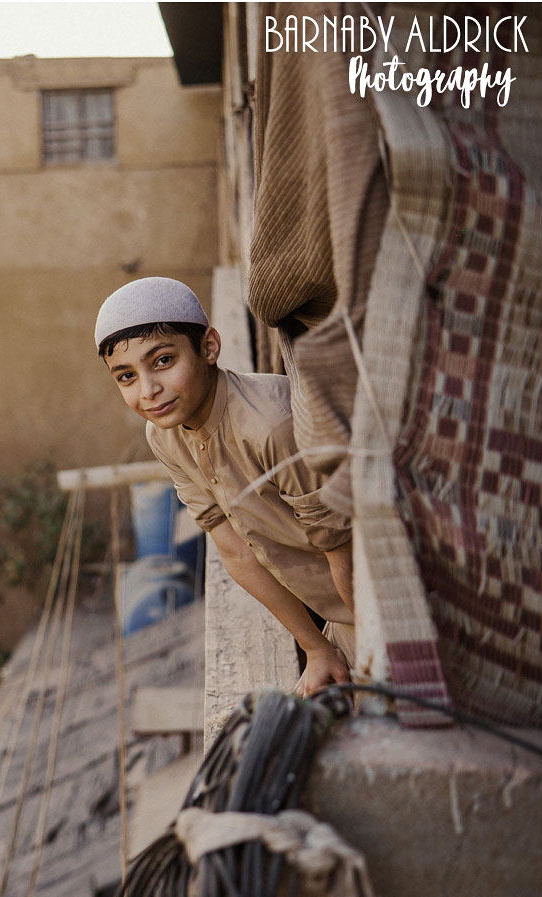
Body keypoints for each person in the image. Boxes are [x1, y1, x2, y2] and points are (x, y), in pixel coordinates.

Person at [96, 277, 355, 696]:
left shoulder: (271, 425)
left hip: (384, 605)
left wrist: (380, 646)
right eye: (126, 376)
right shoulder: (164, 435)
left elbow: (342, 549)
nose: (148, 391)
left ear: (209, 347)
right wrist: (315, 648)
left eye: (163, 361)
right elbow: (234, 550)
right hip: (337, 619)